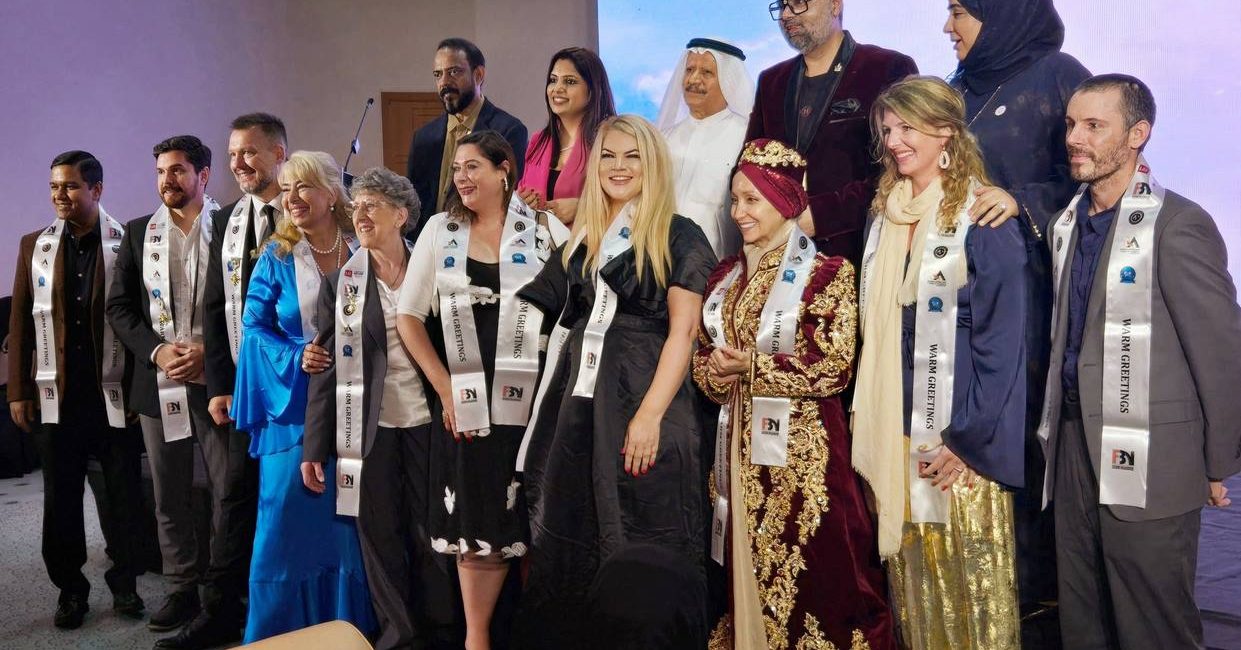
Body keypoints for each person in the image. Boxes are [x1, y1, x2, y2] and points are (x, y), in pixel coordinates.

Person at [1040, 74, 1241, 650]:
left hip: (1154, 457)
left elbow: (1222, 351)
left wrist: (1217, 462)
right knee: (1082, 621)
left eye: (1093, 126)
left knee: (1153, 627)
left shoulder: (1178, 224)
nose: (1074, 138)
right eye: (1071, 124)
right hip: (1073, 448)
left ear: (1137, 134)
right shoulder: (1065, 223)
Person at [514, 114, 717, 648]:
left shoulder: (679, 233)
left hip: (646, 396)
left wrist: (649, 414)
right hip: (580, 404)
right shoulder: (584, 236)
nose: (618, 167)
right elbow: (542, 310)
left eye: (632, 157)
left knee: (643, 527)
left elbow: (684, 331)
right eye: (608, 155)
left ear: (653, 166)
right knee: (572, 527)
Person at [691, 139, 894, 649]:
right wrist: (716, 372)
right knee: (743, 565)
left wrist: (753, 366)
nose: (738, 212)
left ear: (784, 201)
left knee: (817, 575)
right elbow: (703, 356)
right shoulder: (725, 276)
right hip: (736, 453)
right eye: (734, 200)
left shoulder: (827, 273)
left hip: (803, 462)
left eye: (752, 200)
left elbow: (833, 367)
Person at [851, 77, 1026, 649]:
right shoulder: (885, 214)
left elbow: (1004, 343)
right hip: (896, 431)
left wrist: (965, 439)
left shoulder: (984, 215)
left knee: (971, 606)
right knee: (916, 604)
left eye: (908, 127)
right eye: (887, 129)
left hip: (961, 443)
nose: (894, 141)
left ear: (947, 131)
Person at [943, 0, 1092, 620]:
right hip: (956, 295)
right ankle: (976, 588)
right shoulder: (957, 88)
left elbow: (1091, 176)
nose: (947, 27)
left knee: (1025, 424)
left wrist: (1022, 200)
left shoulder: (1060, 75)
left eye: (958, 12)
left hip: (1032, 288)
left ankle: (1037, 594)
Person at [398, 130, 569, 650]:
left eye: (473, 166)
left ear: (504, 169)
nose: (462, 178)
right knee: (477, 522)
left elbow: (575, 306)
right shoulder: (438, 230)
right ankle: (477, 640)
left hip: (534, 405)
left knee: (535, 516)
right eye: (456, 169)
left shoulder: (545, 231)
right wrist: (446, 390)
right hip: (468, 406)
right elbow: (408, 318)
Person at [302, 167, 457, 650]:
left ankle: (443, 629)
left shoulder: (437, 271)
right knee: (379, 535)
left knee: (433, 529)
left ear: (401, 215)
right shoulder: (341, 283)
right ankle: (400, 634)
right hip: (368, 429)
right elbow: (325, 369)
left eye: (372, 205)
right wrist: (314, 446)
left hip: (431, 423)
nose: (360, 214)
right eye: (357, 206)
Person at [105, 135, 246, 649]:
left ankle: (222, 592)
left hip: (217, 380)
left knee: (228, 490)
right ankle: (181, 586)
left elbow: (246, 300)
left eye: (178, 171)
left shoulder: (232, 227)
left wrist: (209, 352)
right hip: (160, 381)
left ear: (203, 175)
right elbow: (119, 308)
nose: (168, 180)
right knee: (170, 494)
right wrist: (159, 351)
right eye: (161, 172)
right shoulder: (139, 233)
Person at [230, 151, 375, 642]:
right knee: (284, 528)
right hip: (291, 411)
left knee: (346, 531)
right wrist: (297, 356)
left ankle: (347, 630)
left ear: (332, 193)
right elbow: (252, 329)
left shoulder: (361, 245)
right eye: (287, 188)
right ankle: (277, 634)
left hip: (355, 405)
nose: (291, 198)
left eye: (303, 187)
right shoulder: (276, 255)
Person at [8, 150, 144, 629]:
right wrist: (18, 390)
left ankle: (125, 584)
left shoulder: (127, 242)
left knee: (123, 497)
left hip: (113, 396)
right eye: (54, 186)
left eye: (69, 186)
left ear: (96, 189)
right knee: (61, 500)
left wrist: (138, 391)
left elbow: (139, 320)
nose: (59, 195)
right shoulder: (34, 246)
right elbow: (21, 322)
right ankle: (70, 590)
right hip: (56, 399)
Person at [748, 0, 917, 265]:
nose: (786, 15)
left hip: (860, 255)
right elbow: (749, 165)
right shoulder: (772, 81)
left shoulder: (886, 68)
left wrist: (821, 216)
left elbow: (901, 172)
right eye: (782, 6)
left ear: (835, 5)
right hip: (778, 257)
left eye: (799, 3)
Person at [406, 37, 529, 241]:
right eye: (438, 74)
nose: (444, 82)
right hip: (428, 245)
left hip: (481, 245)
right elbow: (413, 202)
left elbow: (507, 198)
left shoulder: (508, 130)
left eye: (454, 72)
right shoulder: (423, 137)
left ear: (478, 75)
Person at [656, 38, 753, 259]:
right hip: (663, 263)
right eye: (689, 70)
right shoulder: (665, 138)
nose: (693, 79)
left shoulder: (746, 137)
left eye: (706, 72)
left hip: (719, 265)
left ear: (729, 81)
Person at [516, 46, 616, 228]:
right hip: (537, 243)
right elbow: (520, 194)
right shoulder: (538, 141)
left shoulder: (610, 139)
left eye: (570, 81)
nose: (557, 89)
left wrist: (582, 207)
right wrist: (520, 202)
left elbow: (630, 200)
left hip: (591, 242)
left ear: (592, 90)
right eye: (553, 80)